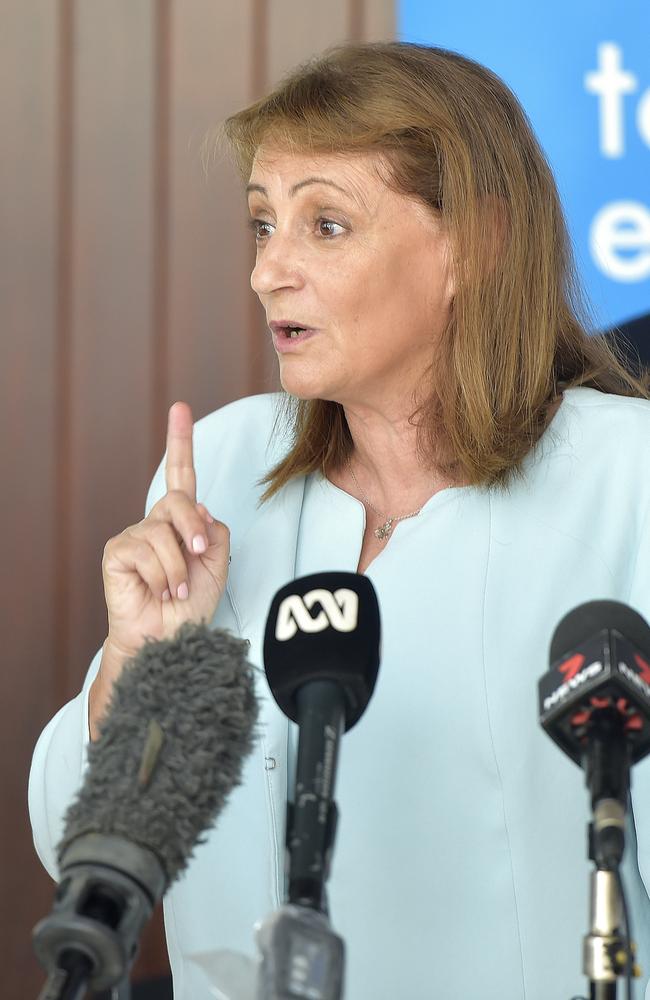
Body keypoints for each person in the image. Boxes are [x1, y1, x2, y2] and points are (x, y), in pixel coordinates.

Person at [29, 40, 650, 1000]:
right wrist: (132, 668)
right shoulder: (223, 470)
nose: (268, 271)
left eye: (325, 224)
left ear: (476, 244)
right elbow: (74, 845)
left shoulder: (624, 479)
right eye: (262, 224)